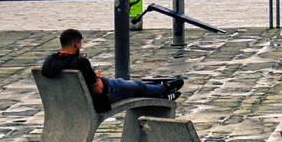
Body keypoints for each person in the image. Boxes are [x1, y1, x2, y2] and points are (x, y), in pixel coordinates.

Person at [42, 28, 182, 112]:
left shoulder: (50, 61)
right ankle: (164, 90)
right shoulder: (81, 63)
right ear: (76, 43)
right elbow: (97, 90)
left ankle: (162, 94)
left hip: (70, 103)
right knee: (136, 86)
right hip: (101, 97)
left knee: (129, 84)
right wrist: (95, 75)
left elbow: (66, 65)